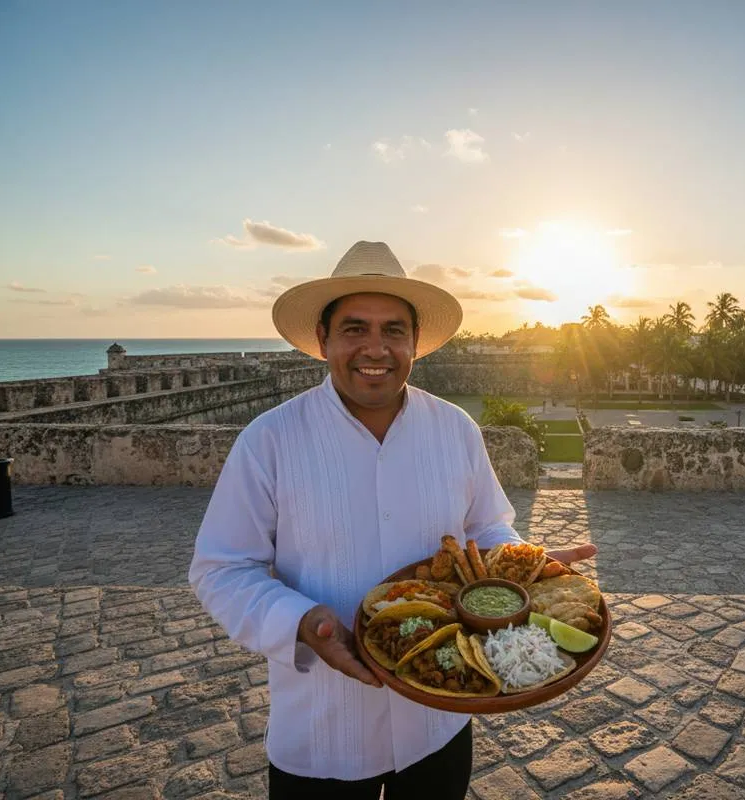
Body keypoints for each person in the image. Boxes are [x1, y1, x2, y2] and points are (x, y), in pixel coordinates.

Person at [189, 241, 597, 799]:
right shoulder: (269, 441)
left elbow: (487, 528)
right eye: (355, 329)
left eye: (393, 331)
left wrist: (522, 562)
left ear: (415, 344)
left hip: (440, 719)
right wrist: (304, 624)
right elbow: (223, 568)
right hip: (323, 731)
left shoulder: (455, 429)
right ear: (323, 340)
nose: (375, 348)